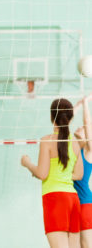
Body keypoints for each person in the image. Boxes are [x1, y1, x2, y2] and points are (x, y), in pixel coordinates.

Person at [21, 98, 83, 248]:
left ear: (51, 117)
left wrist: (27, 163)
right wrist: (62, 175)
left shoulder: (47, 140)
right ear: (70, 118)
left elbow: (42, 174)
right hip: (73, 200)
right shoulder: (74, 141)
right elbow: (79, 174)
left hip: (55, 199)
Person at [74, 95, 92, 248]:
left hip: (85, 203)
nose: (80, 127)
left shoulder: (88, 151)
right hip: (71, 205)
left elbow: (87, 123)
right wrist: (77, 105)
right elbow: (62, 125)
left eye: (83, 129)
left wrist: (86, 103)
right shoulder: (73, 150)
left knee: (86, 245)